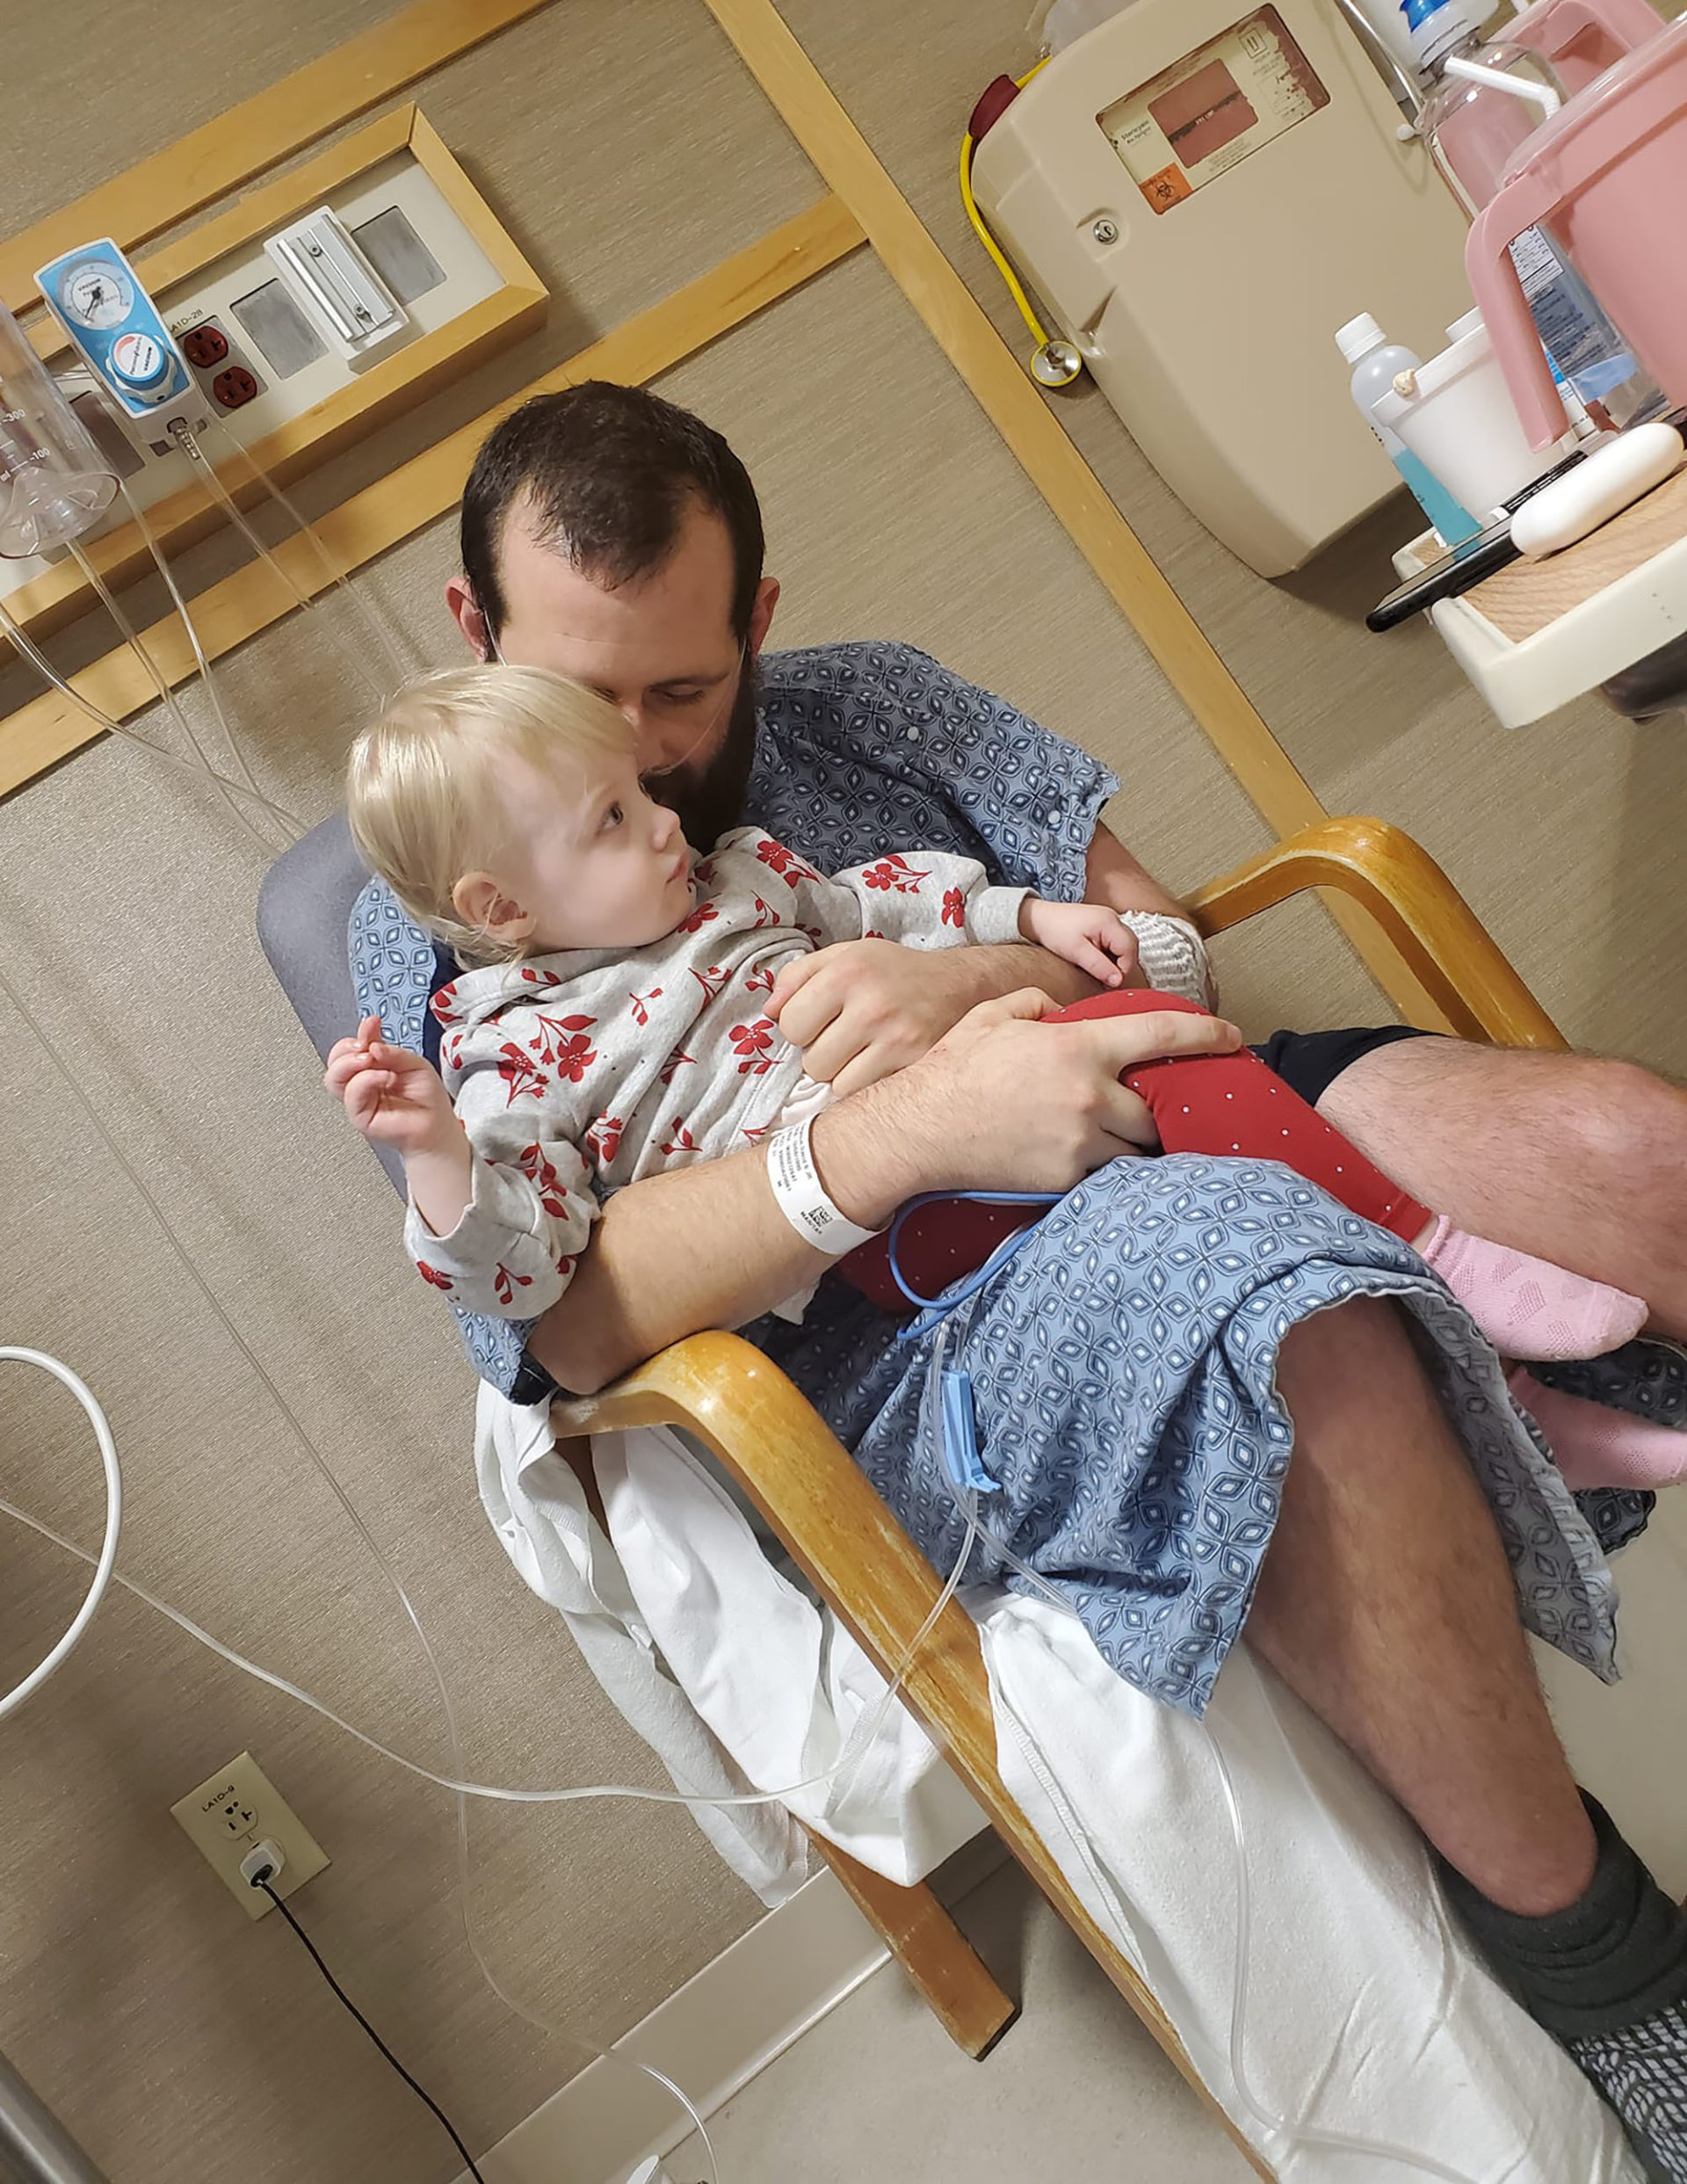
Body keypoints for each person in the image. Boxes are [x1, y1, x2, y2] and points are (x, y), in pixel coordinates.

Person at [344, 382, 1687, 2173]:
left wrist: (977, 983)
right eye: (591, 699)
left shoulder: (871, 710)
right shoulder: (448, 925)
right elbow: (565, 1323)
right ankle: (1613, 1971)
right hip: (904, 1310)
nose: (648, 767)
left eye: (685, 692)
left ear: (756, 619)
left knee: (1630, 1148)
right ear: (475, 623)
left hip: (1140, 1075)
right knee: (1277, 1305)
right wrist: (894, 1134)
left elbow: (1167, 946)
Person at [334, 663, 1676, 1490]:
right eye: (614, 818)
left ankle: (1498, 1360)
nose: (664, 816)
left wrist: (1025, 924)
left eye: (645, 782)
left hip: (1040, 1093)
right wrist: (440, 1160)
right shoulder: (510, 1055)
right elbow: (534, 1281)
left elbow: (895, 899)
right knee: (1223, 1228)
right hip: (893, 1238)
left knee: (1176, 1061)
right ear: (500, 908)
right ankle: (1474, 1326)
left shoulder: (738, 874)